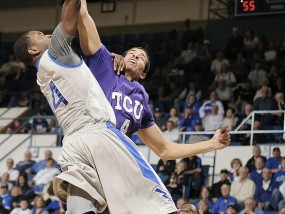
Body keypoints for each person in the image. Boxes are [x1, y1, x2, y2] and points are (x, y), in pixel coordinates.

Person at [14, 1, 230, 213]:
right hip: (100, 139)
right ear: (121, 56)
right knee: (159, 200)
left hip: (105, 163)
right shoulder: (104, 63)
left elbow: (164, 149)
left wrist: (211, 143)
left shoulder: (142, 101)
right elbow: (82, 15)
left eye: (142, 57)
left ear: (144, 73)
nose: (136, 55)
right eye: (132, 52)